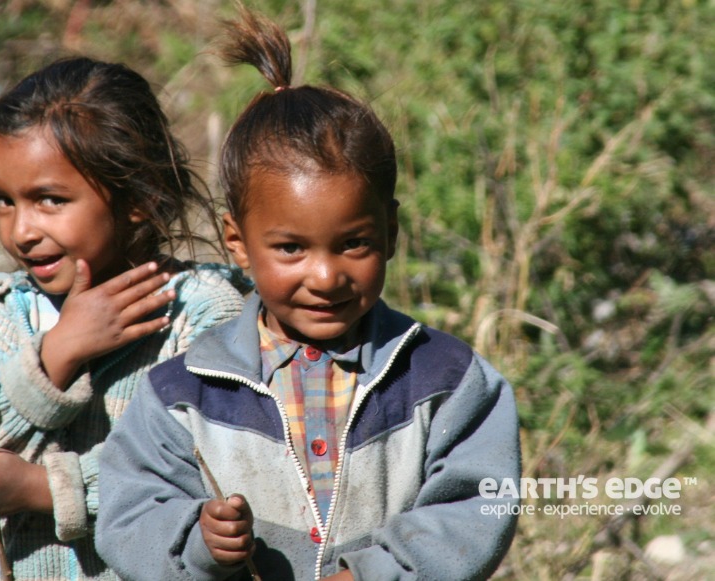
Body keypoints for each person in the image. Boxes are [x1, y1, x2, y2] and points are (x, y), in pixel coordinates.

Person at [94, 6, 521, 581]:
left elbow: (476, 505)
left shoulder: (446, 380)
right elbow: (130, 515)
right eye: (291, 249)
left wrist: (376, 572)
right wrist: (198, 541)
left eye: (354, 244)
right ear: (238, 243)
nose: (325, 277)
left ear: (391, 233)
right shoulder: (183, 395)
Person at [0, 56, 250, 580]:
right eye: (3, 202)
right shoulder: (5, 313)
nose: (21, 231)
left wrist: (45, 488)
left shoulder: (201, 316)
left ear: (139, 198)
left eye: (49, 200)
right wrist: (58, 352)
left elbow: (206, 467)